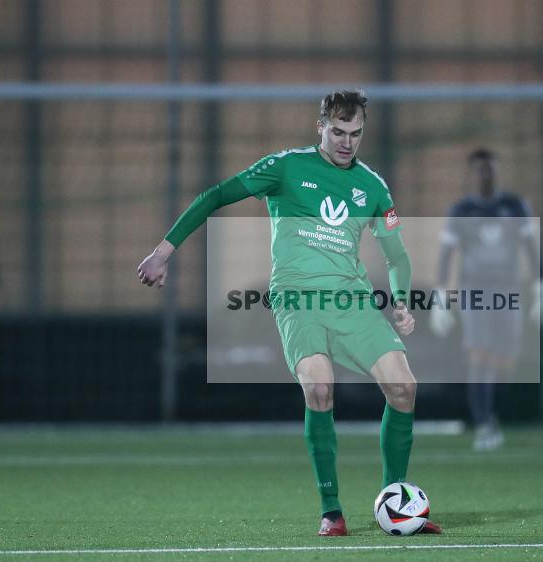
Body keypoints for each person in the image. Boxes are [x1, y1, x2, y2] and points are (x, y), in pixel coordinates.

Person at [137, 90, 440, 537]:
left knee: (403, 387)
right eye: (338, 131)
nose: (347, 142)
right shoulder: (286, 167)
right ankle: (332, 511)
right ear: (320, 127)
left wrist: (398, 299)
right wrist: (163, 252)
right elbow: (216, 195)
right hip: (298, 300)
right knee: (319, 388)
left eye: (355, 133)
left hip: (351, 301)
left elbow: (396, 255)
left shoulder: (373, 187)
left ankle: (395, 499)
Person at [430, 149, 543, 450]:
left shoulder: (513, 206)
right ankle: (484, 423)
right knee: (479, 354)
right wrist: (441, 294)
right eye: (481, 170)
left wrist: (540, 287)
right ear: (472, 175)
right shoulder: (462, 210)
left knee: (505, 359)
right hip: (475, 291)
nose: (487, 176)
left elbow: (529, 248)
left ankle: (493, 414)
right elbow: (446, 255)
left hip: (508, 290)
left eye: (491, 170)